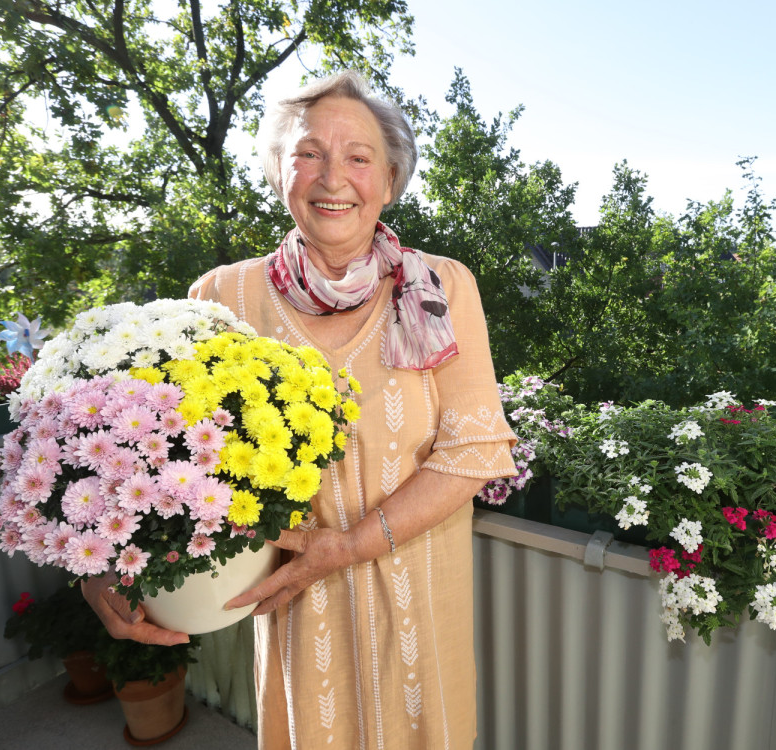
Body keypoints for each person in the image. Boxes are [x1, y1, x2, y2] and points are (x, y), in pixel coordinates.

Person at [84, 70, 517, 750]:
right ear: (279, 171)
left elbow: (474, 450)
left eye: (358, 156)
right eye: (309, 153)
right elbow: (156, 452)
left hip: (419, 594)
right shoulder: (221, 296)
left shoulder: (442, 286)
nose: (332, 177)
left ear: (391, 180)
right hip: (297, 606)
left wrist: (344, 546)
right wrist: (103, 566)